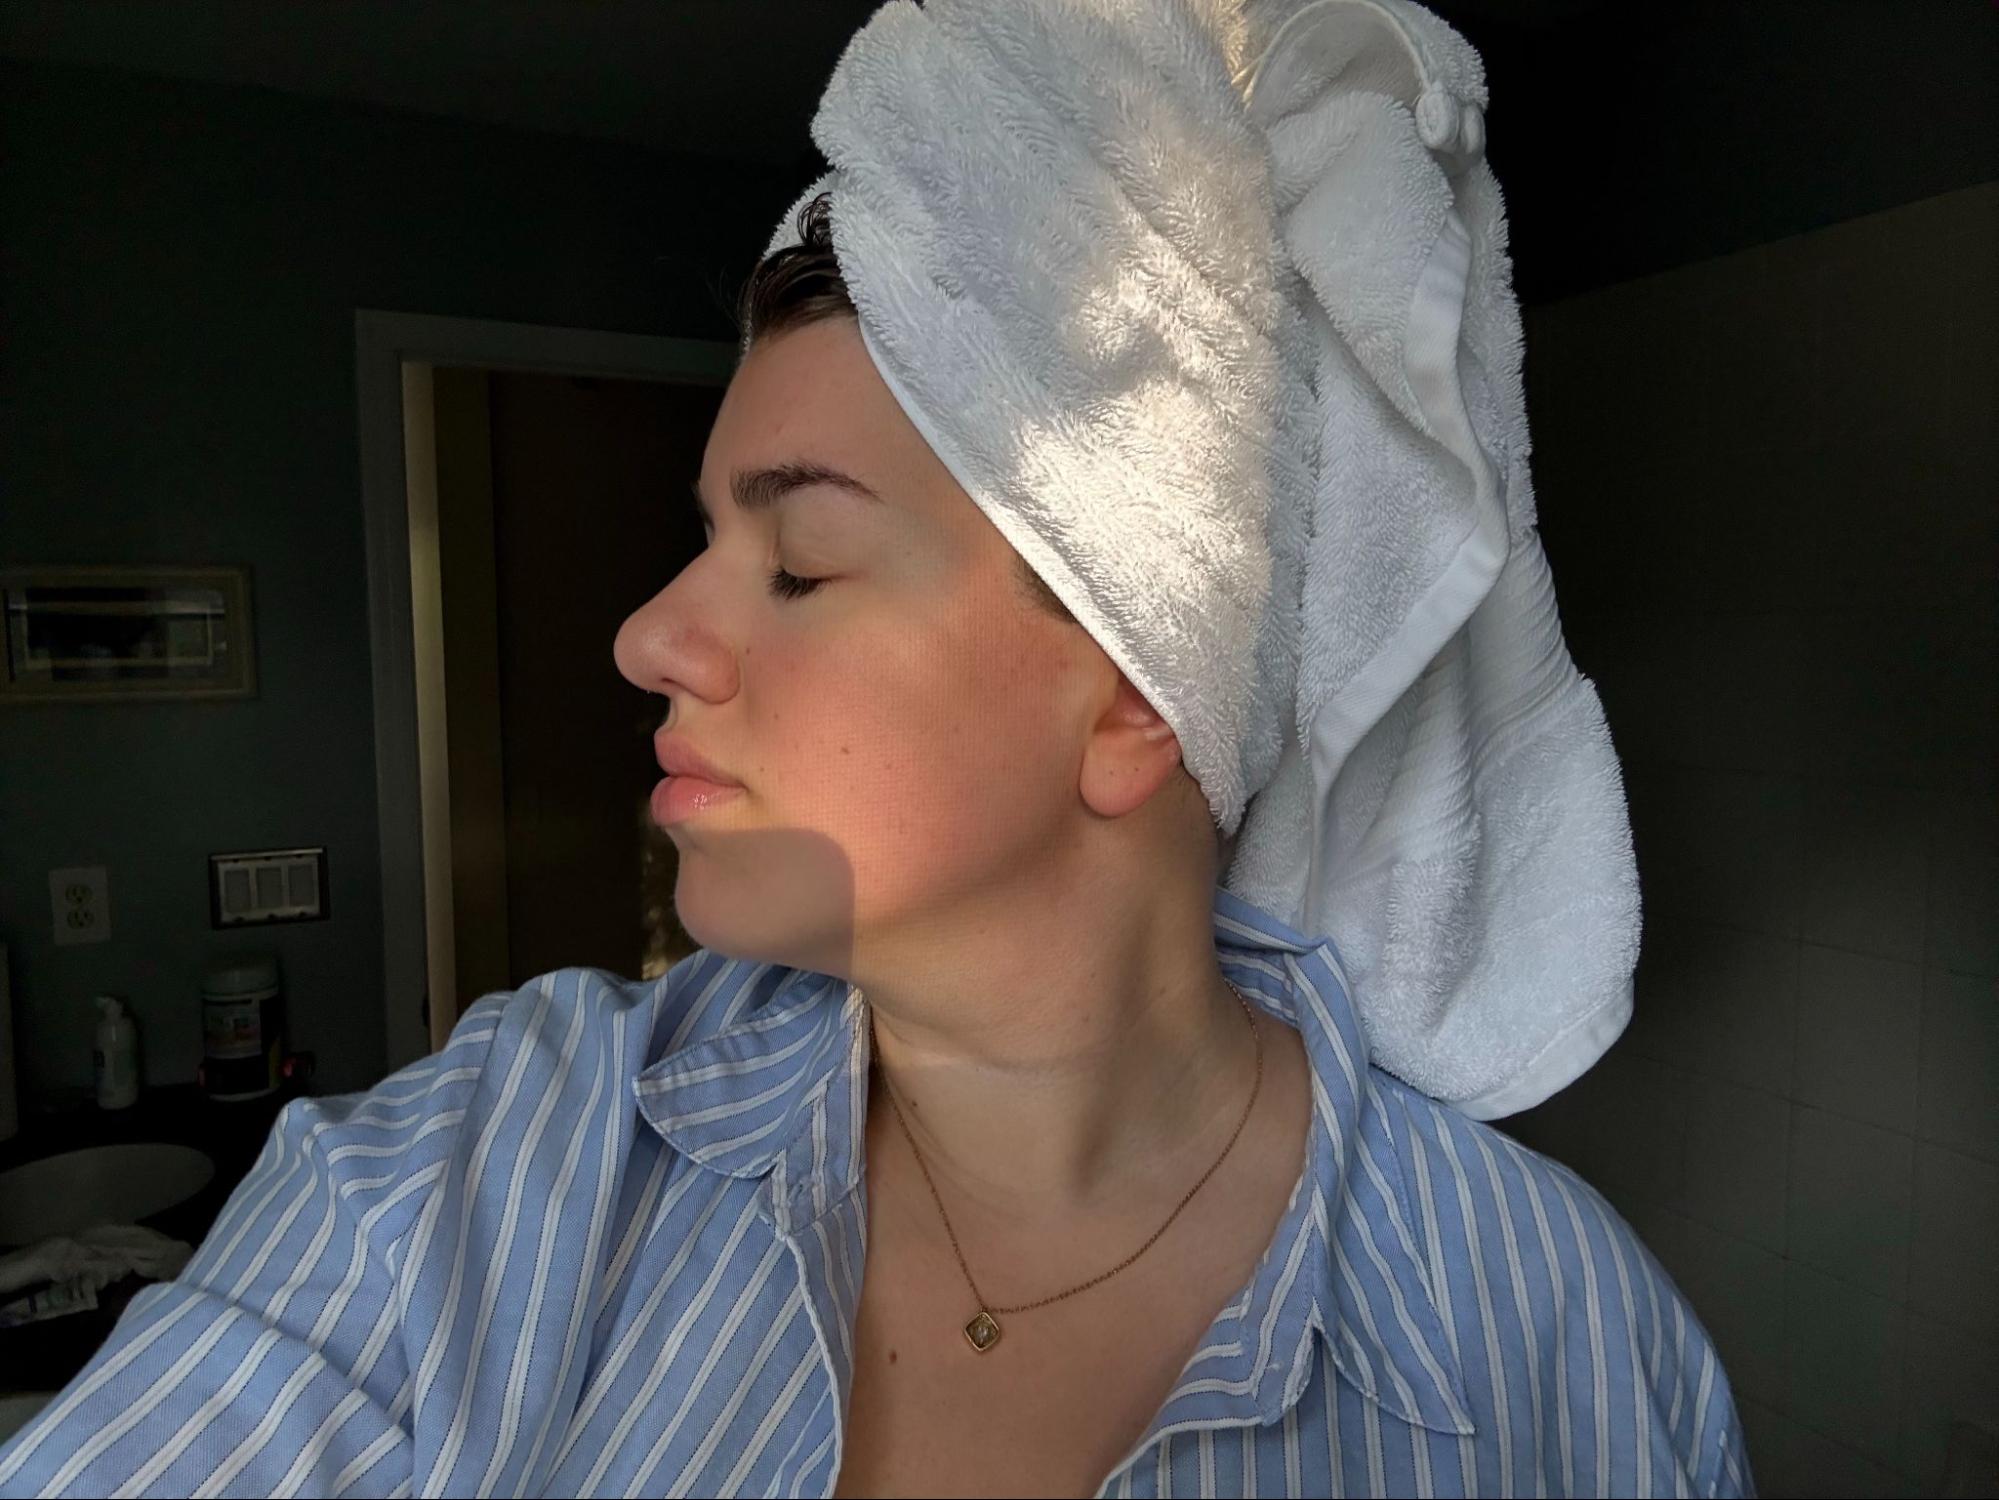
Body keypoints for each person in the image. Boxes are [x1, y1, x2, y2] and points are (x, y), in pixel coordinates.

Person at [0, 187, 1749, 1497]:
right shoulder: (483, 1165)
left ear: (1136, 696)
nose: (648, 637)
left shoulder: (1555, 1344)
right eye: (707, 541)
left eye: (800, 563)